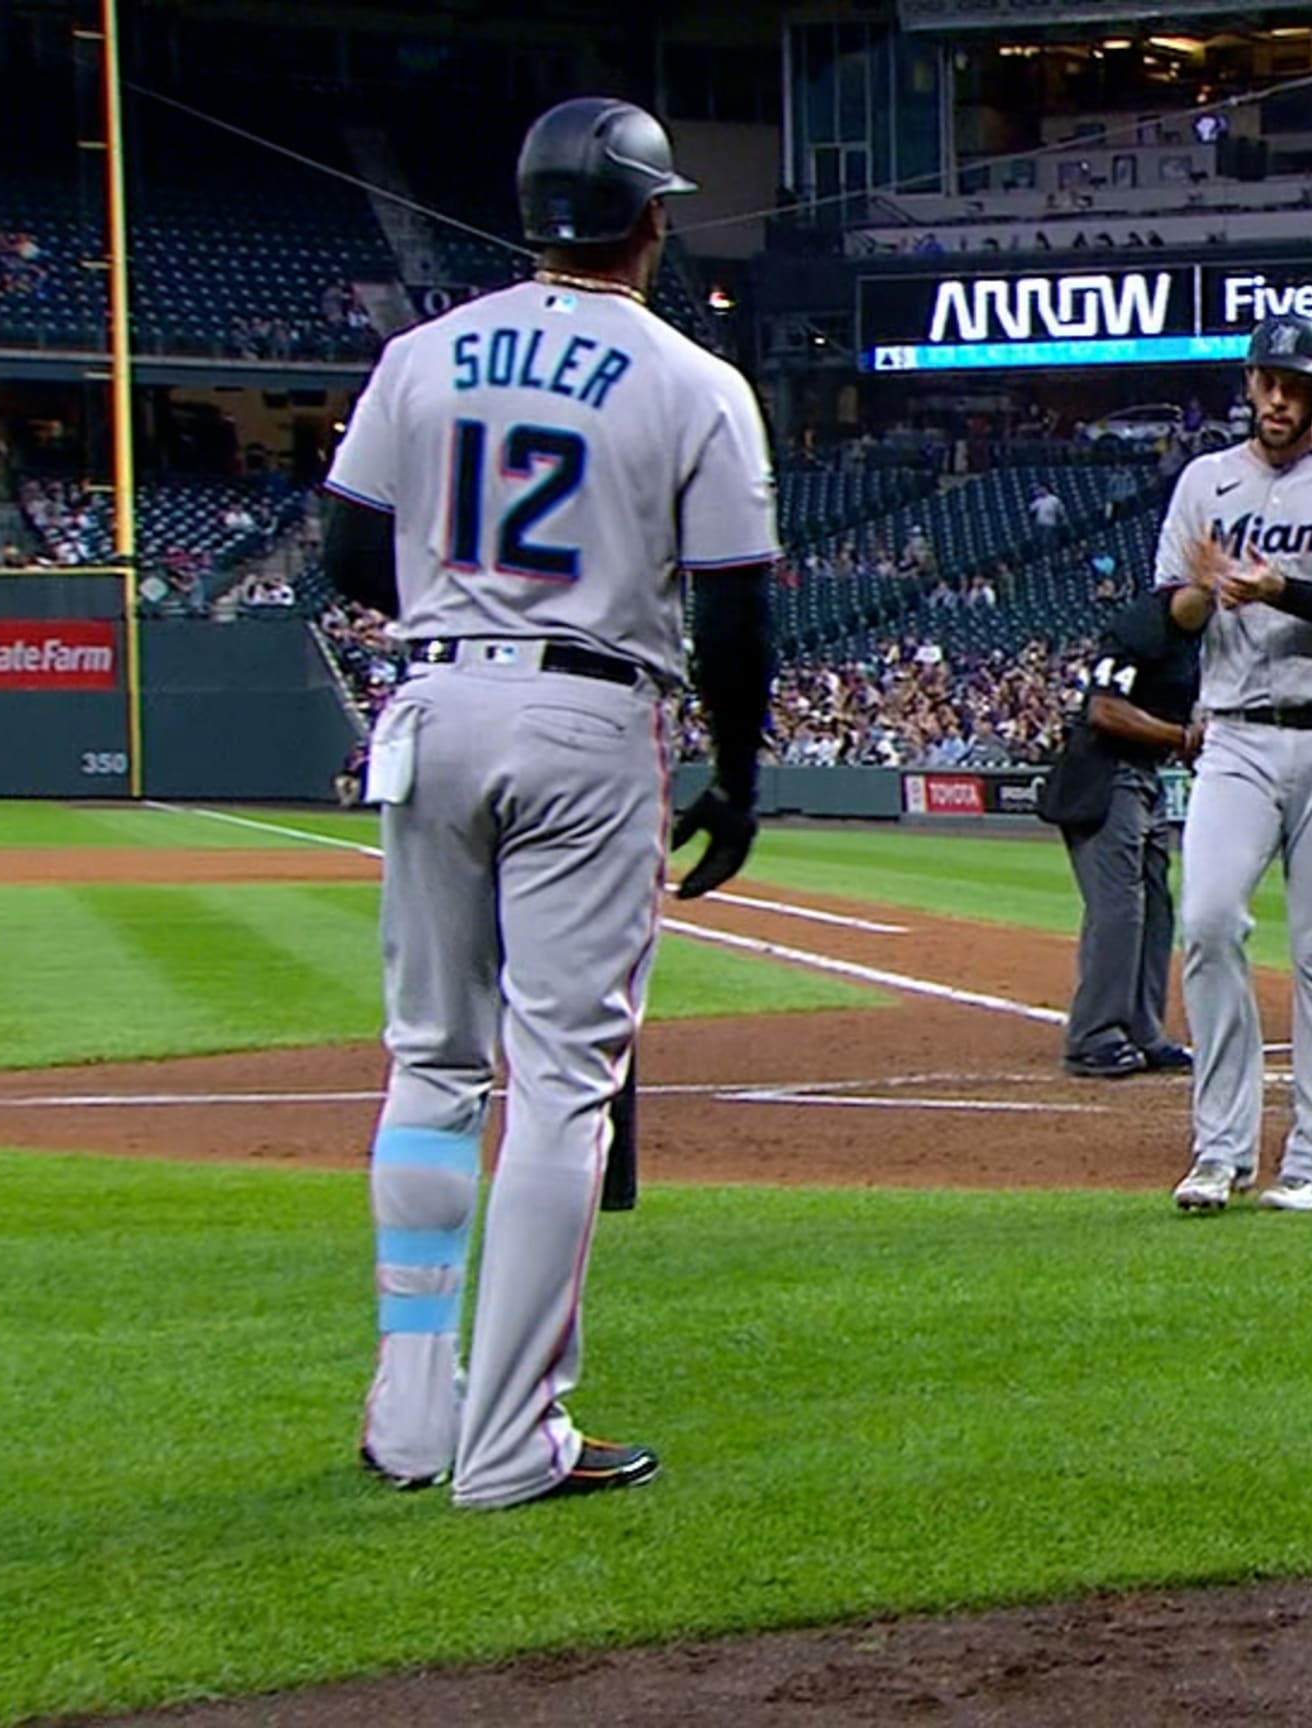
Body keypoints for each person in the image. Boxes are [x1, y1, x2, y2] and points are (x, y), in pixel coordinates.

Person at [322, 97, 776, 1504]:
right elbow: (738, 612)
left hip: (431, 698)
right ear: (651, 220)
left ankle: (410, 1416)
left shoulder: (421, 352)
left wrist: (465, 607)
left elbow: (348, 547)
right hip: (587, 711)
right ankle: (514, 1440)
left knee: (432, 1064)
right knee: (565, 1083)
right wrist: (741, 776)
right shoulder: (692, 376)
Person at [1156, 312, 1312, 1214]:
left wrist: (1276, 586)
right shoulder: (1204, 482)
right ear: (1249, 384)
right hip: (1234, 732)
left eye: (1295, 385)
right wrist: (1200, 592)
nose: (1277, 397)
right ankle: (1219, 1151)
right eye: (1268, 381)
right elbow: (1172, 618)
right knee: (1209, 919)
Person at [1038, 586, 1201, 1078]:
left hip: (1145, 777)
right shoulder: (1141, 627)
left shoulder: (1191, 641)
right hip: (1106, 778)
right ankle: (1095, 1036)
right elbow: (1103, 710)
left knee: (1154, 908)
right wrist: (1183, 738)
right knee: (1120, 909)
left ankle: (1142, 1031)